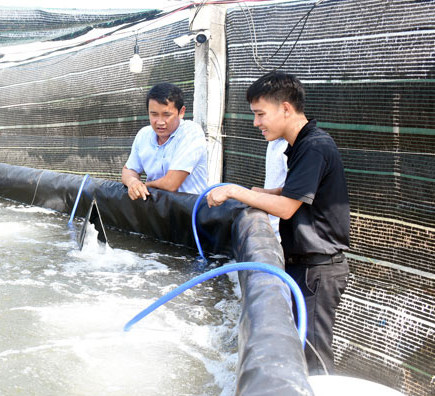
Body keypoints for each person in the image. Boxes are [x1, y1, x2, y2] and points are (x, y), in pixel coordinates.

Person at [206, 71, 349, 375]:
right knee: (301, 349)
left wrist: (235, 191)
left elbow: (285, 208)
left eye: (260, 114)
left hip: (318, 270)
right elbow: (297, 191)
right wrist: (262, 193)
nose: (256, 122)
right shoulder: (301, 143)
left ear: (285, 108)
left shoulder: (314, 146)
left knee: (313, 357)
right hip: (306, 265)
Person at [122, 82, 208, 198]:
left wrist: (144, 186)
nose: (160, 122)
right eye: (154, 114)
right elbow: (129, 170)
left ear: (181, 112)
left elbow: (171, 183)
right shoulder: (144, 135)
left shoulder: (191, 133)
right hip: (155, 209)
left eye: (166, 115)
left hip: (189, 211)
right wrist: (133, 182)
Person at [260, 137, 288, 240]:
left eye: (262, 119)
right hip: (269, 227)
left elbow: (295, 193)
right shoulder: (272, 141)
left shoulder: (292, 147)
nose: (256, 123)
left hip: (282, 235)